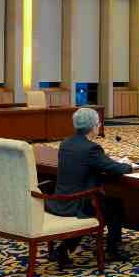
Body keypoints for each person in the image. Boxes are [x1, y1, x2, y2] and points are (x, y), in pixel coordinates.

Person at [46, 108, 133, 267]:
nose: (99, 126)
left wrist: (104, 160)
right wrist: (128, 165)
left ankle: (62, 250)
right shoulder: (91, 148)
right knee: (115, 207)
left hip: (61, 201)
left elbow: (87, 163)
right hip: (79, 204)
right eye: (98, 124)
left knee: (104, 204)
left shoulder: (65, 143)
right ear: (93, 127)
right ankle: (112, 250)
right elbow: (116, 169)